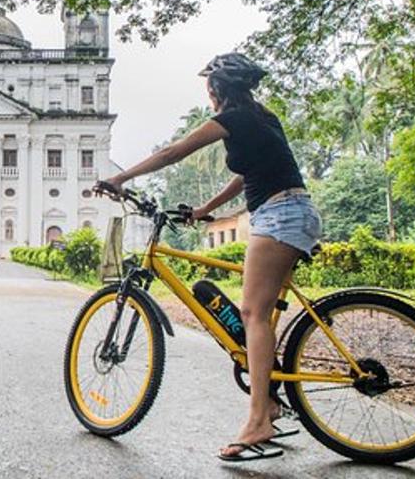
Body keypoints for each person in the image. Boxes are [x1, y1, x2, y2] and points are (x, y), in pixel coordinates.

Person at [100, 53, 321, 463]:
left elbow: (172, 153)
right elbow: (247, 175)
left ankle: (257, 422)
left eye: (210, 90)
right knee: (261, 312)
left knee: (253, 314)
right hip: (296, 212)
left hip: (279, 216)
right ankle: (270, 402)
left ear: (216, 91)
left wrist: (120, 177)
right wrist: (204, 209)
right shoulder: (263, 119)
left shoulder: (233, 119)